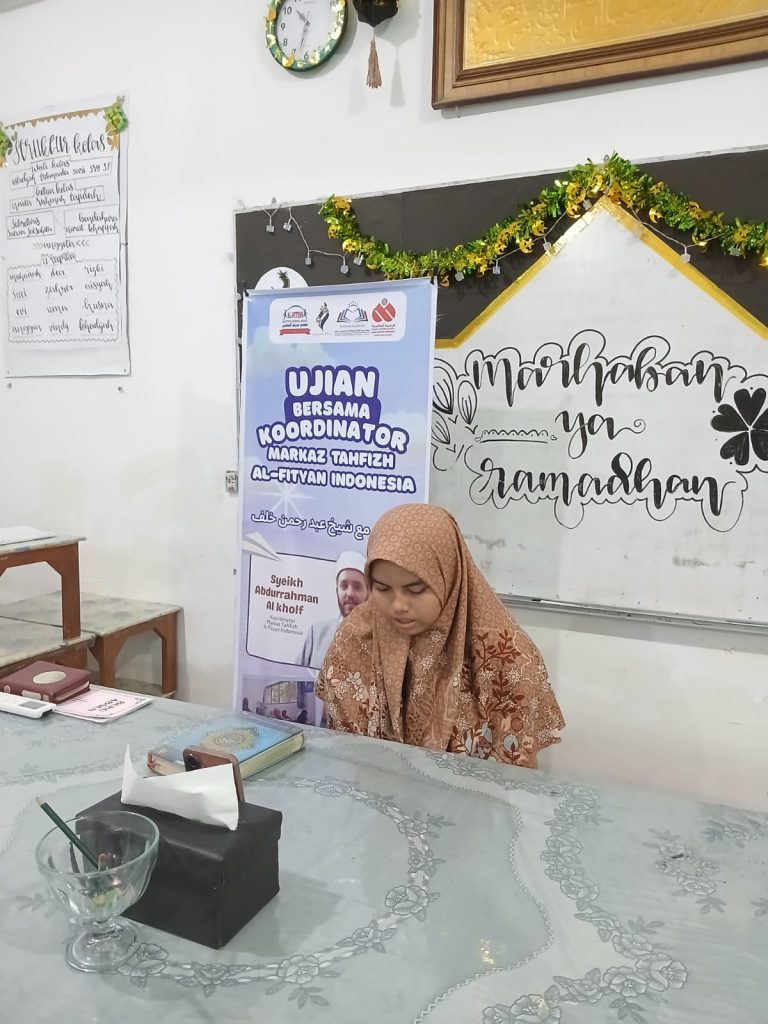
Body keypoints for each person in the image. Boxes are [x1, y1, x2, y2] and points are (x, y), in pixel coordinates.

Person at [316, 504, 564, 768]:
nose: (398, 605)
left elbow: (510, 771)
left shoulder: (503, 655)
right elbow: (345, 749)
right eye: (382, 588)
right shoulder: (356, 636)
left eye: (415, 589)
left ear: (450, 576)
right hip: (372, 785)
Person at [297, 550, 369, 670]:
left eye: (357, 587)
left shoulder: (379, 642)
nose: (349, 593)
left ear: (368, 593)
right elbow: (294, 676)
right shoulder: (316, 635)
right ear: (337, 591)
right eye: (344, 586)